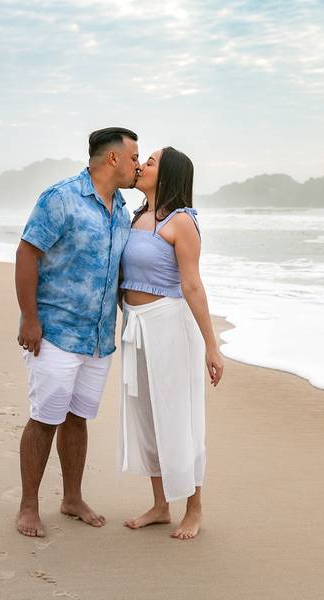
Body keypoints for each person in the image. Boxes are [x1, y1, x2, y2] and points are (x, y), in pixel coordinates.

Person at [14, 127, 140, 538]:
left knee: (77, 418)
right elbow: (27, 253)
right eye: (134, 156)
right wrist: (29, 318)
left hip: (99, 337)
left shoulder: (121, 209)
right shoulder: (61, 198)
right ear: (113, 159)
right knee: (44, 418)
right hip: (54, 331)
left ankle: (72, 498)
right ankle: (28, 506)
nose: (138, 164)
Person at [118, 146, 224, 540]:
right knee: (147, 415)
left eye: (151, 161)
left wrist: (212, 347)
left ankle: (193, 509)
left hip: (170, 326)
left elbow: (192, 285)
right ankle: (161, 506)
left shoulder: (182, 223)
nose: (142, 164)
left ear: (169, 175)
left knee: (180, 416)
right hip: (135, 325)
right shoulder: (136, 217)